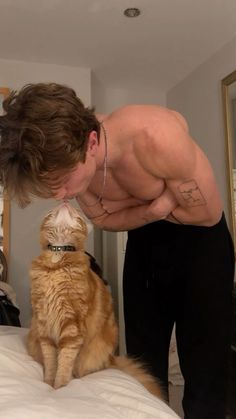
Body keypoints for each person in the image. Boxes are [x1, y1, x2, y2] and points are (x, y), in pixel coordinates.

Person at [0, 83, 234, 419]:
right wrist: (154, 210)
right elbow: (103, 221)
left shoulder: (155, 135)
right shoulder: (71, 162)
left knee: (205, 365)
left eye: (64, 181)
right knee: (143, 363)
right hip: (144, 244)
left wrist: (127, 213)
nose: (60, 195)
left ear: (91, 142)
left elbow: (205, 214)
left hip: (202, 243)